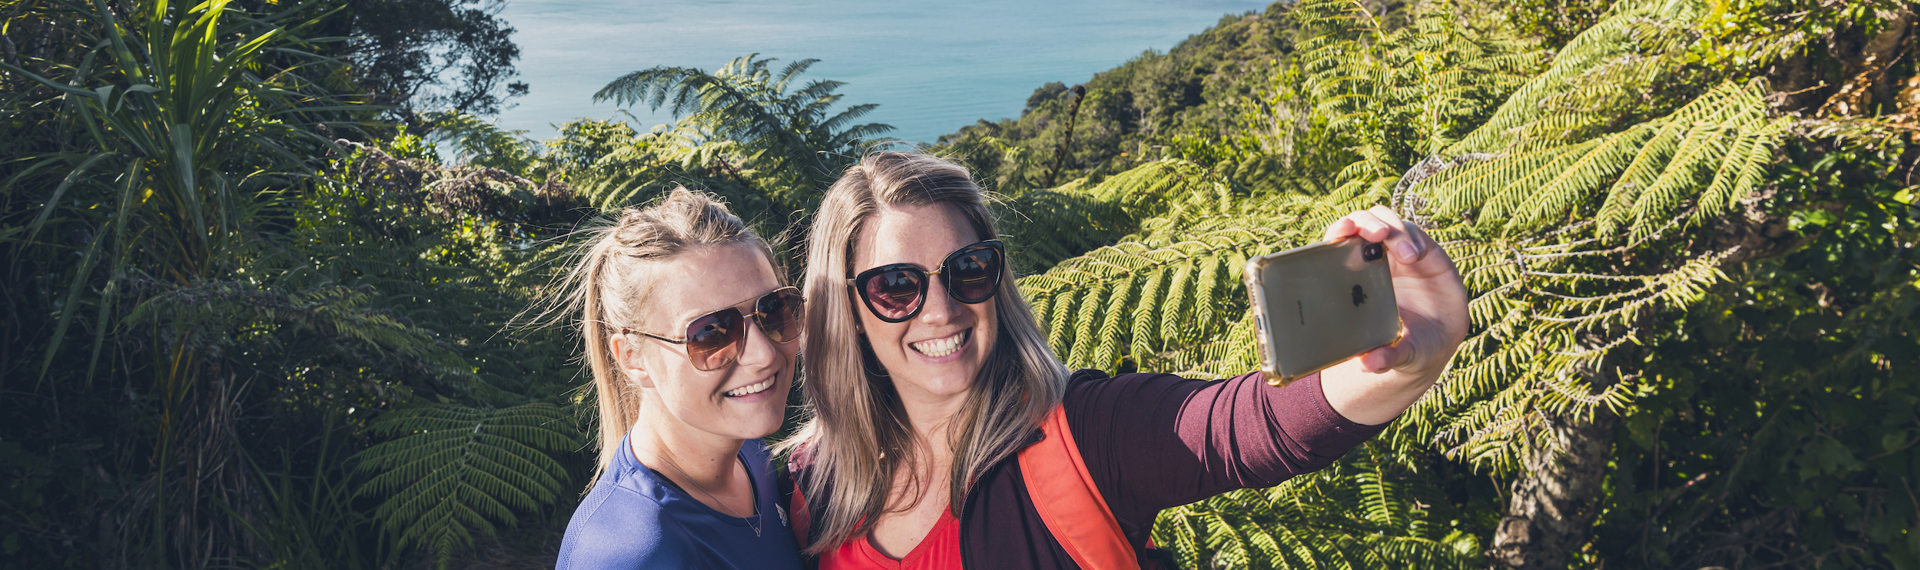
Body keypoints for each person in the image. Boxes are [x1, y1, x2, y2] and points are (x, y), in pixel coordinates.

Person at [779, 152, 1469, 569]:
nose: (940, 310)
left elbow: (1252, 425)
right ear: (848, 311)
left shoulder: (1084, 434)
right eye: (896, 286)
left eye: (967, 270)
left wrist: (1411, 358)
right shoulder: (813, 486)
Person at [555, 188, 806, 569]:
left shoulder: (748, 454)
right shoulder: (632, 555)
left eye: (773, 310)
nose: (763, 355)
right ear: (632, 357)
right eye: (711, 333)